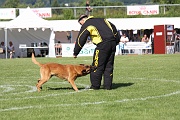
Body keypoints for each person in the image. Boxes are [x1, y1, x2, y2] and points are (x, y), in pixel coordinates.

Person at [73, 15, 120, 90]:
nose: (81, 25)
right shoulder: (103, 20)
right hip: (112, 43)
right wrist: (116, 41)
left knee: (96, 65)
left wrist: (76, 52)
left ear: (82, 20)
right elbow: (114, 29)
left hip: (102, 45)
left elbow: (81, 38)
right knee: (109, 66)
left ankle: (95, 86)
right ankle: (108, 86)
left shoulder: (87, 24)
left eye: (80, 23)